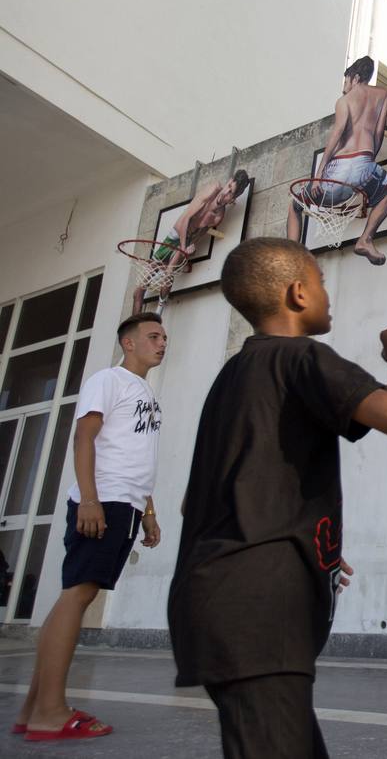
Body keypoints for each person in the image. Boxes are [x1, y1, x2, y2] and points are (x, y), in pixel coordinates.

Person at [167, 236, 387, 759]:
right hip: (258, 612)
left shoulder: (234, 376)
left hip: (225, 600)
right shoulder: (301, 356)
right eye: (321, 283)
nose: (328, 294)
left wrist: (302, 541)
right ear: (298, 293)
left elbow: (198, 503)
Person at [14, 312, 167, 741]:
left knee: (75, 596)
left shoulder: (147, 393)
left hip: (127, 504)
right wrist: (90, 499)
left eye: (164, 337)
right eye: (153, 336)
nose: (161, 343)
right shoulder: (108, 380)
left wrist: (148, 512)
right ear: (128, 343)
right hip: (105, 500)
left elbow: (136, 454)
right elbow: (84, 437)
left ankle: (32, 709)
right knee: (77, 595)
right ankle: (50, 712)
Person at [287, 56, 387, 266]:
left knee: (296, 204)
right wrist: (368, 164)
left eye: (345, 81)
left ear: (355, 78)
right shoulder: (383, 94)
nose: (343, 88)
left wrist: (318, 176)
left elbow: (336, 135)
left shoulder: (344, 102)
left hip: (339, 170)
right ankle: (366, 239)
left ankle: (292, 253)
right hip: (365, 166)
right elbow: (379, 133)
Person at [133, 169, 251, 314]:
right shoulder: (212, 190)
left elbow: (198, 236)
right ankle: (134, 323)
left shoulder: (218, 217)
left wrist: (190, 248)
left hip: (185, 241)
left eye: (230, 193)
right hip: (176, 235)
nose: (225, 193)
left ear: (233, 199)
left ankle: (159, 312)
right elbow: (185, 219)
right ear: (229, 180)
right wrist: (184, 246)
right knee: (138, 291)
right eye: (229, 186)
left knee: (168, 275)